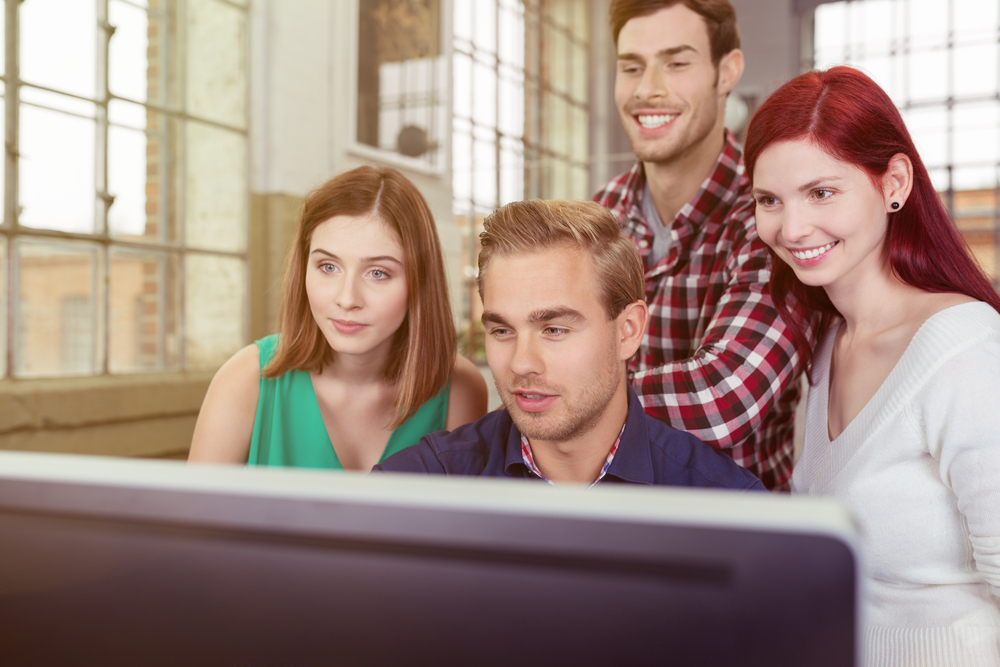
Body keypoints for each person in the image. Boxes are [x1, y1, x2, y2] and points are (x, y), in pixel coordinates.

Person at [744, 66, 1000, 664]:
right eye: (769, 201)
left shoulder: (966, 351)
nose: (792, 228)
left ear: (894, 184)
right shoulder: (831, 342)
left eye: (822, 192)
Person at [374, 199, 764, 492]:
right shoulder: (419, 489)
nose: (522, 364)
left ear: (627, 330)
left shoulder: (728, 508)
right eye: (502, 331)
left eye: (554, 330)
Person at [592, 0, 802, 490]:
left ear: (726, 71)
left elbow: (724, 399)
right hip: (607, 525)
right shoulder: (599, 216)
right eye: (632, 67)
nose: (648, 90)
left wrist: (567, 401)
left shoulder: (770, 215)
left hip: (736, 542)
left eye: (677, 62)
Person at [189, 166, 488, 471]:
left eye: (378, 273)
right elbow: (190, 518)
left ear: (420, 281)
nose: (347, 299)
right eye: (328, 267)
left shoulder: (459, 389)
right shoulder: (245, 380)